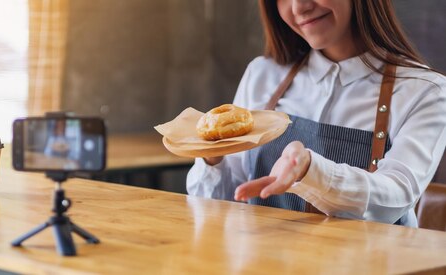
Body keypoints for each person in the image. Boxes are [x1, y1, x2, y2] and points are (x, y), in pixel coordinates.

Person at [187, 0, 446, 227]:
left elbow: (396, 197)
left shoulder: (426, 91)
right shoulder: (262, 74)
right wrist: (212, 159)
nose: (300, 7)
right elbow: (218, 205)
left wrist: (310, 171)